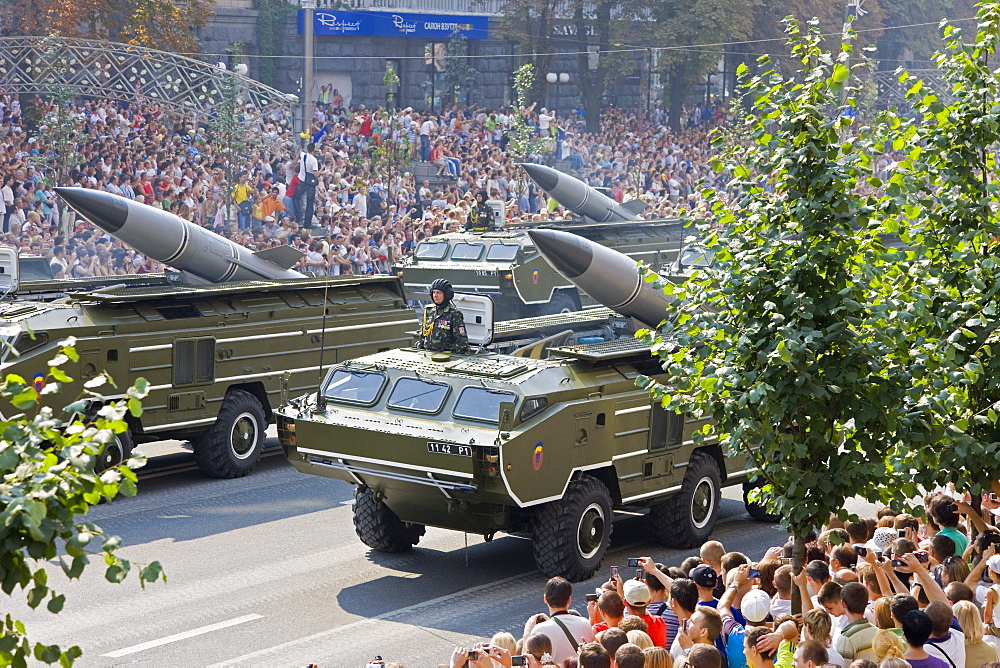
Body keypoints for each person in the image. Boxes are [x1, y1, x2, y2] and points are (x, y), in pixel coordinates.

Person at [417, 278, 469, 354]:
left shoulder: (454, 314)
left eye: (438, 293)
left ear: (446, 294)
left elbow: (461, 340)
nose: (435, 295)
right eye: (433, 292)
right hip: (428, 354)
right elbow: (423, 334)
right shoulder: (428, 310)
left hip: (446, 356)